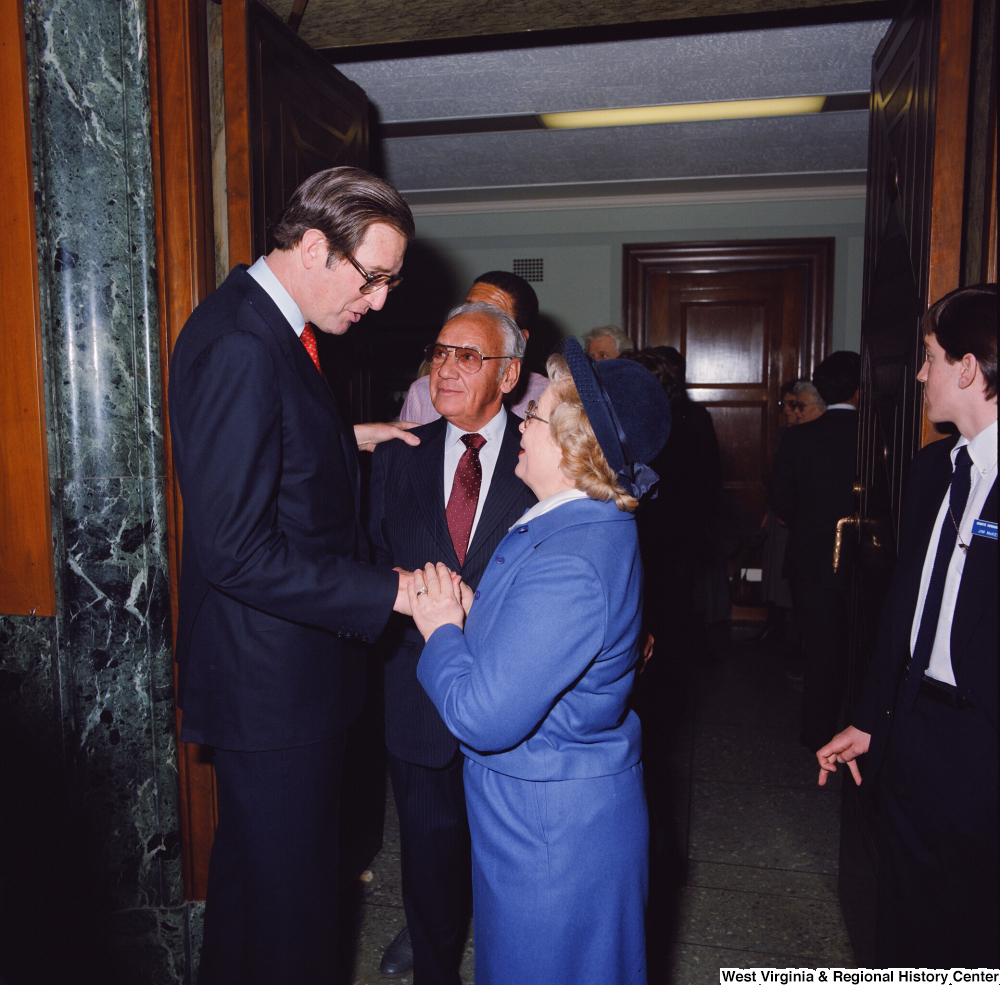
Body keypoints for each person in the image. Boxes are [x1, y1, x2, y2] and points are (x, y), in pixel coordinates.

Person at [167, 166, 420, 984]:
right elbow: (236, 547)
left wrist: (345, 437)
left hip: (277, 682)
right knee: (292, 927)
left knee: (254, 912)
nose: (379, 300)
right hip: (272, 688)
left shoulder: (264, 325)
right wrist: (392, 590)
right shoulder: (245, 342)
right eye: (373, 276)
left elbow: (258, 443)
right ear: (315, 246)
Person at [409, 339, 671, 985]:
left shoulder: (572, 558)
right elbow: (538, 637)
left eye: (538, 412)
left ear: (575, 445)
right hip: (547, 819)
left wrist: (442, 630)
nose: (522, 420)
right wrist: (475, 612)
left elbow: (482, 715)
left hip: (551, 840)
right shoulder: (570, 524)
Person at [817, 284, 997, 968]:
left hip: (987, 748)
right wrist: (871, 716)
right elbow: (905, 604)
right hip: (916, 731)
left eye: (929, 357)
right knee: (907, 925)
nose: (920, 374)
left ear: (969, 368)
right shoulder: (932, 470)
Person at [369, 302, 536, 982]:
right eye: (440, 352)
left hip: (518, 696)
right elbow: (368, 558)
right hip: (419, 697)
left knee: (515, 868)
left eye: (468, 355)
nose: (446, 367)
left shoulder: (545, 449)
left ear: (510, 373)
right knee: (429, 858)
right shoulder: (395, 457)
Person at [770, 351, 860, 750]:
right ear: (861, 389)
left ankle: (818, 732)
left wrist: (804, 521)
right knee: (865, 646)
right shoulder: (875, 433)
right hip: (865, 557)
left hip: (811, 555)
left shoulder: (799, 436)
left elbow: (780, 498)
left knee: (821, 651)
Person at [399, 271, 548, 423]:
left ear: (519, 339)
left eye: (490, 315)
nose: (471, 320)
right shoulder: (421, 394)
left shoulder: (551, 400)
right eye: (466, 309)